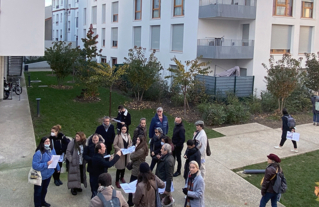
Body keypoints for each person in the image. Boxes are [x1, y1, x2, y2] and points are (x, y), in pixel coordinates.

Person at [32, 137, 60, 207]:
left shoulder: (52, 149)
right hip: (39, 176)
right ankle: (37, 205)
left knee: (44, 190)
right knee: (38, 192)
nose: (48, 143)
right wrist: (46, 164)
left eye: (49, 141)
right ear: (42, 143)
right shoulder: (38, 153)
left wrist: (58, 168)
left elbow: (55, 158)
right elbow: (35, 166)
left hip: (48, 175)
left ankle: (42, 201)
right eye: (46, 142)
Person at [127, 135, 148, 206]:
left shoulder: (141, 149)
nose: (137, 141)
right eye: (137, 139)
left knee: (132, 186)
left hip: (137, 171)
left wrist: (134, 149)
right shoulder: (142, 147)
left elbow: (132, 156)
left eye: (139, 140)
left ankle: (131, 201)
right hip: (137, 168)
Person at [83, 133, 105, 198]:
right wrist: (91, 159)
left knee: (101, 181)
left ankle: (100, 193)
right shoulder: (88, 146)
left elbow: (105, 153)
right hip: (92, 166)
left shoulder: (102, 146)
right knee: (92, 181)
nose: (95, 142)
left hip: (100, 167)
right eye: (94, 140)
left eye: (96, 140)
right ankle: (94, 193)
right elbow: (84, 155)